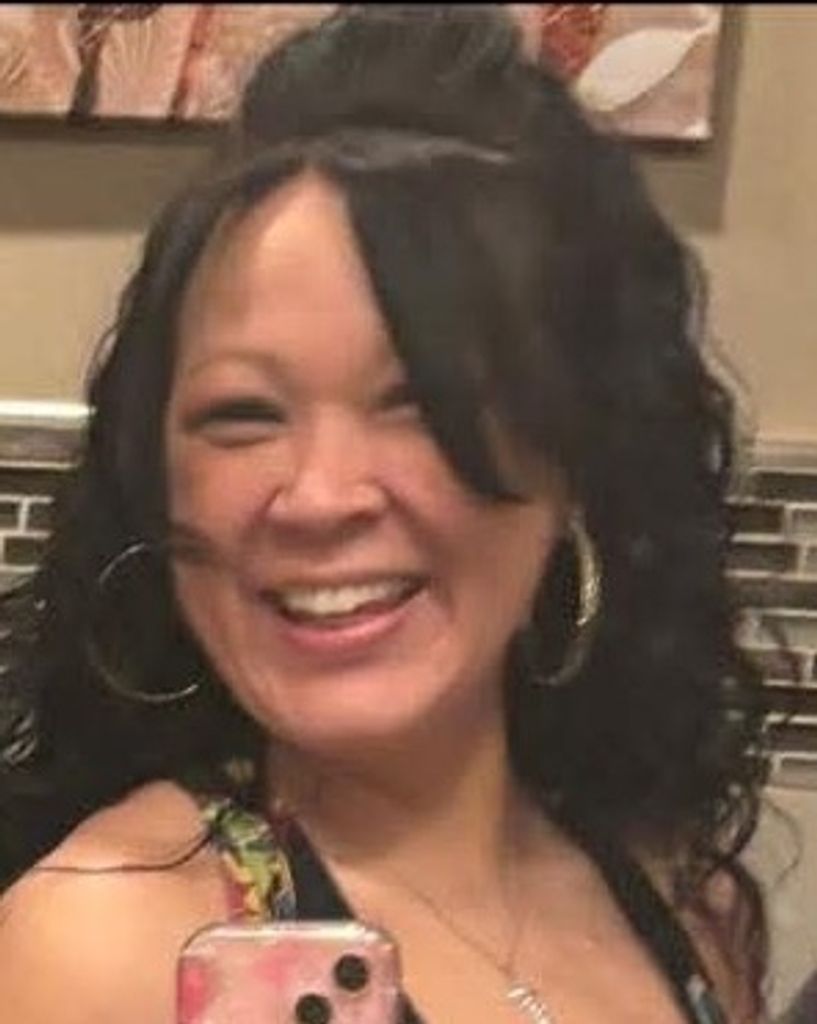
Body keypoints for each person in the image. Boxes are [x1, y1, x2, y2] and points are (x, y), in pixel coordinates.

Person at [0, 6, 770, 1023]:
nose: (319, 494)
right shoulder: (103, 944)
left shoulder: (683, 906)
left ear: (571, 461)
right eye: (241, 415)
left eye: (420, 402)